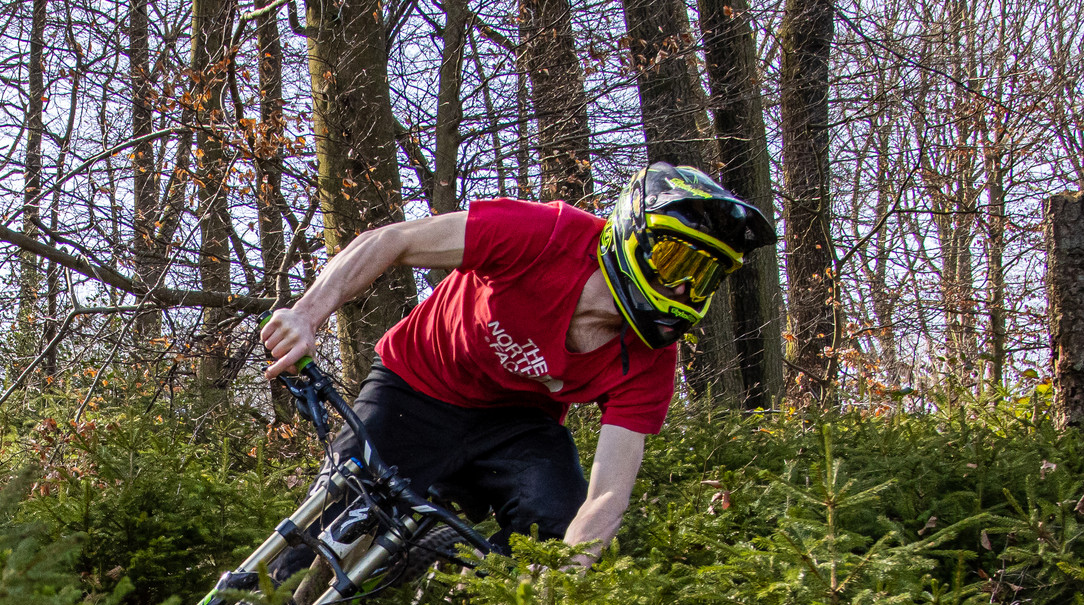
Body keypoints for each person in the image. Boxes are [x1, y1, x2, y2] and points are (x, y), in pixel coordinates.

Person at [259, 163, 773, 564]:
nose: (683, 289)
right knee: (329, 524)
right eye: (677, 263)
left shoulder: (651, 358)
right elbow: (394, 240)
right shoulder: (544, 234)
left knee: (557, 519)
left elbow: (610, 494)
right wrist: (307, 316)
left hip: (517, 424)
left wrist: (566, 582)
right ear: (633, 236)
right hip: (416, 383)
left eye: (703, 275)